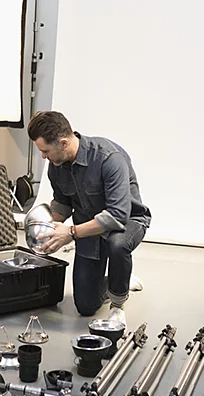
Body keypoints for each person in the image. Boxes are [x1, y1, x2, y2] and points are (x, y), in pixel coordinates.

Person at [27, 111, 151, 321]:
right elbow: (63, 202)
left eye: (45, 151)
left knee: (117, 245)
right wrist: (47, 227)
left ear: (63, 143)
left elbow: (117, 216)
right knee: (85, 306)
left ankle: (118, 304)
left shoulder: (109, 159)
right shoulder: (56, 165)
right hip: (88, 227)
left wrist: (71, 233)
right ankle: (120, 280)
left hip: (127, 221)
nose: (43, 157)